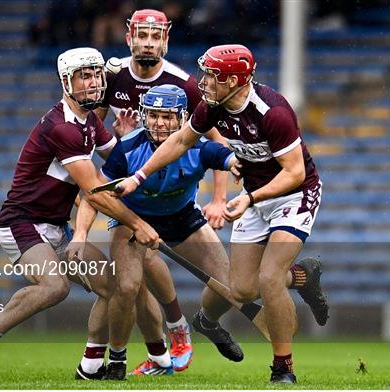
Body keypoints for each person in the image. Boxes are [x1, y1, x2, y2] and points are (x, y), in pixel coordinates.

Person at [114, 44, 330, 383]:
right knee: (241, 289)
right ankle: (302, 277)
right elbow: (180, 142)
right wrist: (138, 177)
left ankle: (282, 368)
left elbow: (295, 173)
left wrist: (249, 197)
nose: (204, 82)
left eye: (212, 75)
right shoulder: (211, 107)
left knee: (270, 277)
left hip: (293, 195)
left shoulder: (272, 112)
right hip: (254, 198)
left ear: (234, 81)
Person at [0, 47, 160, 380]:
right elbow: (96, 190)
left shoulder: (92, 121)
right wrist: (138, 224)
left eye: (97, 74)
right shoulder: (63, 128)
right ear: (66, 82)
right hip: (22, 224)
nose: (94, 82)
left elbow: (118, 163)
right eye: (85, 75)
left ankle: (91, 364)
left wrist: (126, 138)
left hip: (56, 226)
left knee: (112, 287)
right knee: (55, 286)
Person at [91, 9, 229, 372]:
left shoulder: (184, 85)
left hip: (176, 199)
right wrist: (115, 147)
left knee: (228, 281)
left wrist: (218, 198)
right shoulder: (114, 75)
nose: (149, 43)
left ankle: (189, 328)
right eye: (142, 36)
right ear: (129, 38)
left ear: (165, 40)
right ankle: (164, 343)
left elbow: (214, 142)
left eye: (156, 37)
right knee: (131, 282)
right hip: (133, 203)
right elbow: (93, 130)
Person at [78, 84, 246, 377]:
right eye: (153, 115)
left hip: (182, 217)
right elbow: (94, 193)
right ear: (144, 115)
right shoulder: (128, 147)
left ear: (182, 119)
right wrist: (86, 233)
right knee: (127, 286)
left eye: (167, 117)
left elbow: (225, 155)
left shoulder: (198, 147)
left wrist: (235, 164)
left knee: (230, 287)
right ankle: (117, 359)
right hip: (133, 219)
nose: (159, 123)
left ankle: (204, 322)